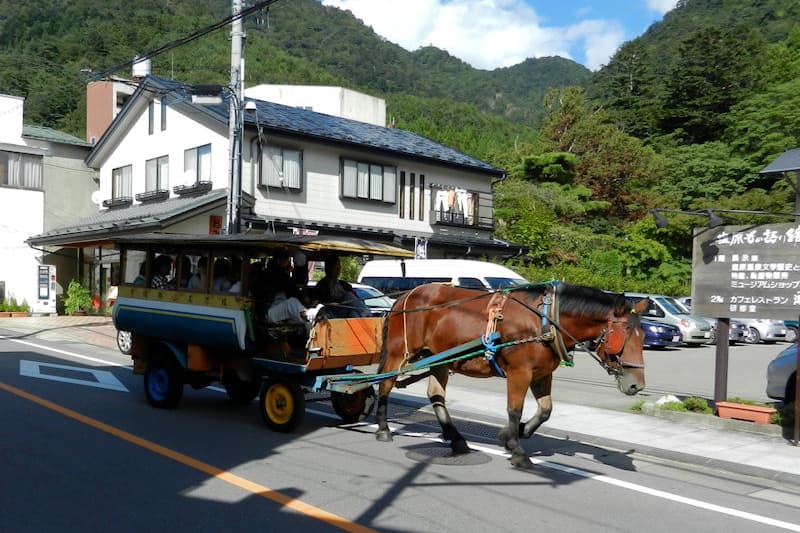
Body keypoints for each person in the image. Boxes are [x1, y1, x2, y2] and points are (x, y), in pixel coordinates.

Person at [264, 252, 308, 324]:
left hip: (281, 311)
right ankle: (309, 317)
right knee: (292, 302)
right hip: (271, 310)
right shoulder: (273, 274)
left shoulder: (283, 275)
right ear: (278, 260)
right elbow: (287, 286)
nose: (289, 263)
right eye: (287, 260)